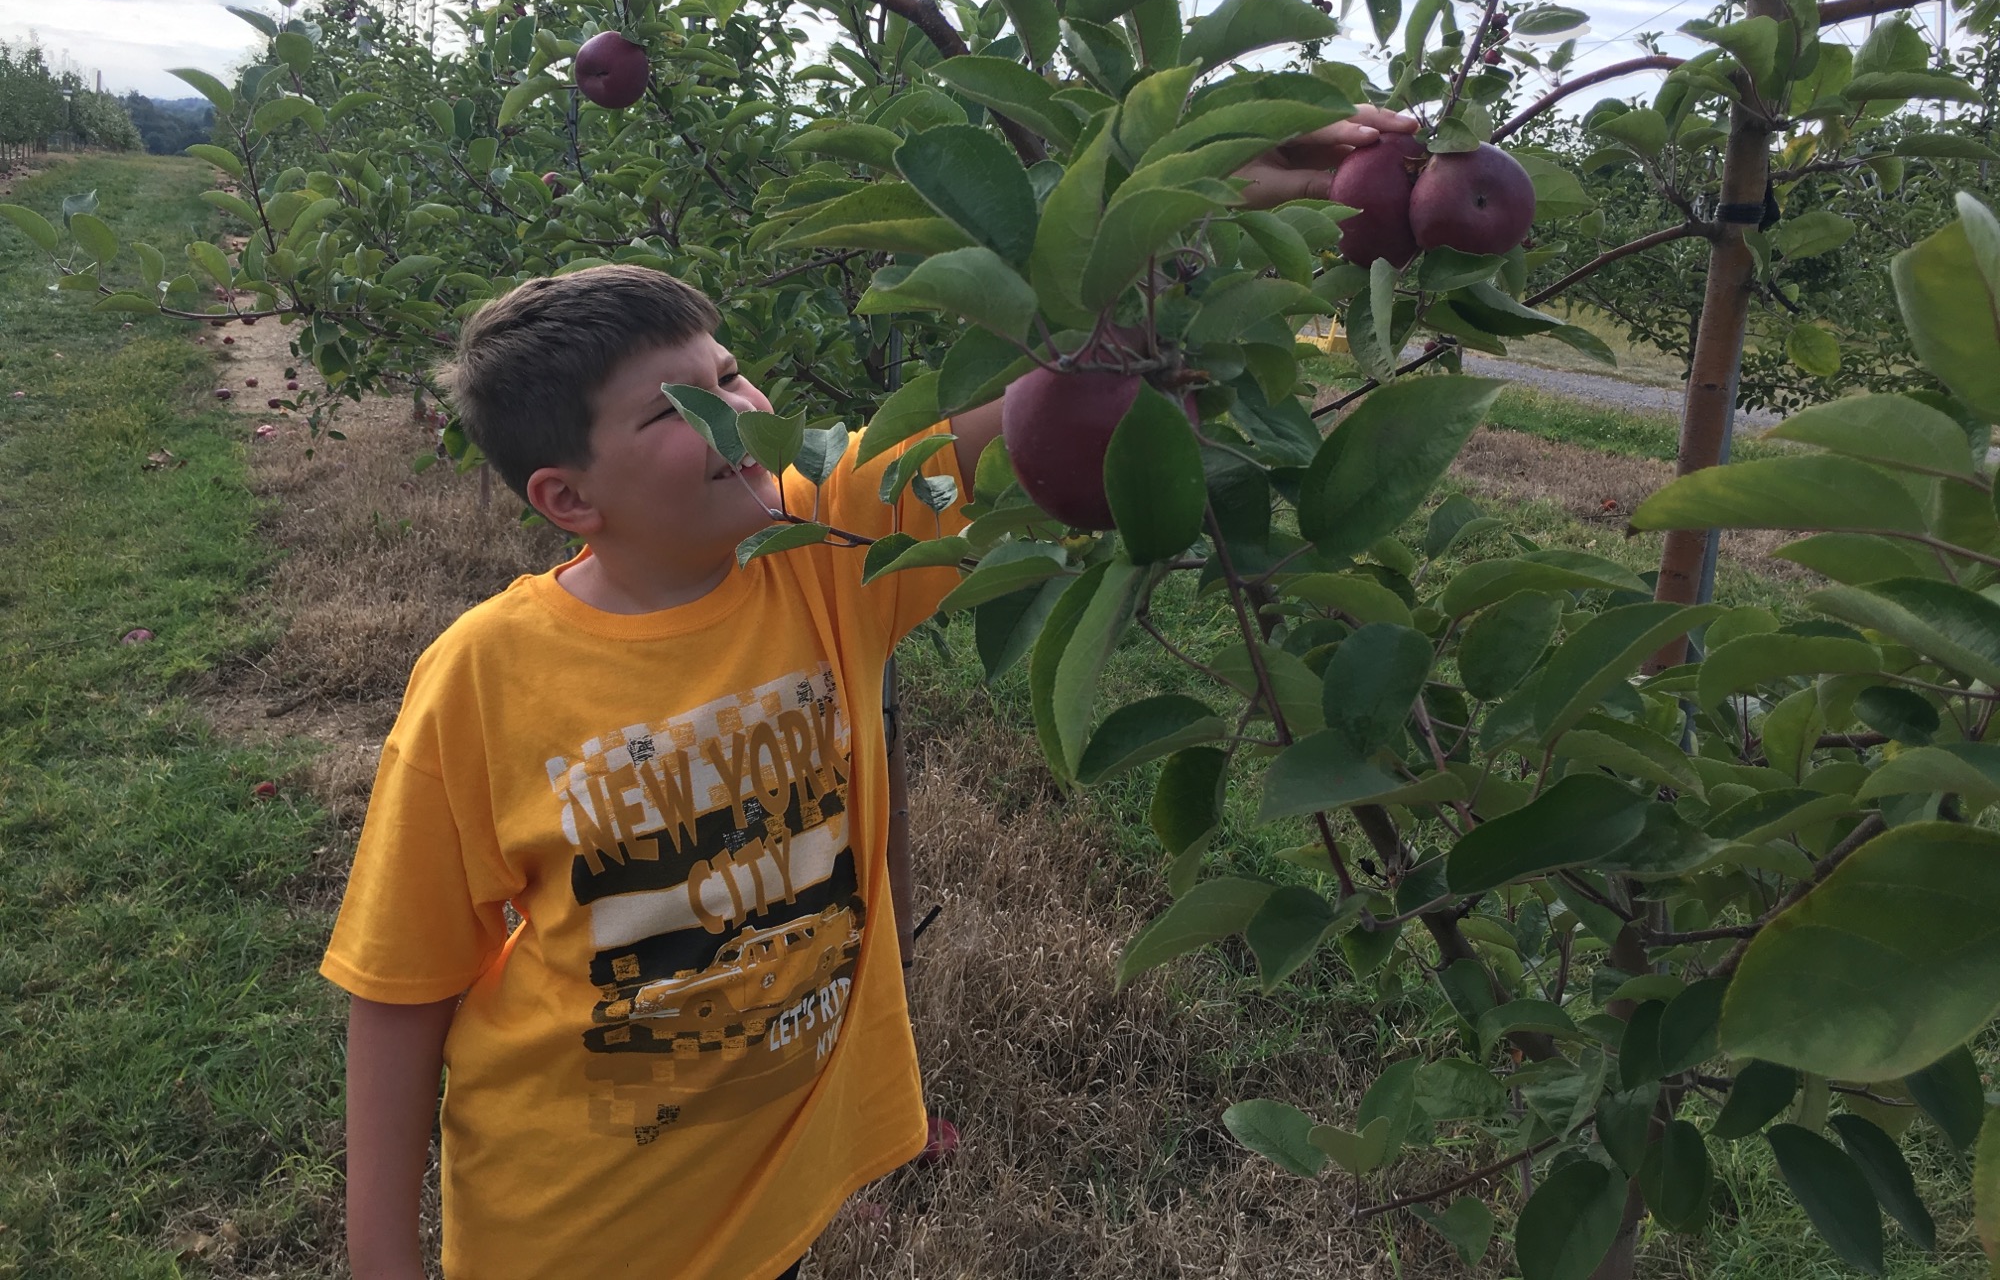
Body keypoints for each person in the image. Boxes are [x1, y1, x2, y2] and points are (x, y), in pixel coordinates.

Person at [323, 108, 1419, 1280]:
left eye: (732, 373)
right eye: (672, 408)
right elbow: (402, 989)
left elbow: (1048, 407)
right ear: (567, 498)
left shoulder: (818, 542)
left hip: (771, 1204)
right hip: (574, 1229)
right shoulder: (485, 677)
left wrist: (1197, 200)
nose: (741, 412)